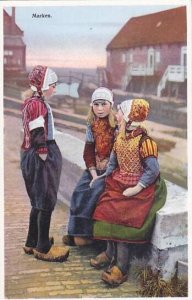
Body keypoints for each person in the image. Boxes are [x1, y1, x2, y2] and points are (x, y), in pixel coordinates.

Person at [90, 99, 167, 287]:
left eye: (119, 112)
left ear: (129, 117)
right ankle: (109, 253)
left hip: (144, 187)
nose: (116, 115)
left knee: (122, 217)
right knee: (105, 208)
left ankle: (121, 267)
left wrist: (137, 187)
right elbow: (114, 164)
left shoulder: (145, 142)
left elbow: (152, 170)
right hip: (121, 181)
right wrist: (102, 177)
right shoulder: (121, 138)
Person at [21, 65, 69, 262]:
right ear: (43, 86)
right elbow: (37, 131)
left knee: (37, 201)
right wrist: (44, 155)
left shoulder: (31, 102)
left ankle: (32, 241)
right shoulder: (37, 105)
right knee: (46, 200)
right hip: (41, 156)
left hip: (30, 154)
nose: (54, 89)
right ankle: (43, 247)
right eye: (53, 85)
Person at [62, 87, 117, 246]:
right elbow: (88, 151)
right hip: (95, 168)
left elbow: (117, 153)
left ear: (110, 105)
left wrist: (102, 174)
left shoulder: (116, 126)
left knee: (94, 193)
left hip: (110, 170)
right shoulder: (91, 124)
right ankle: (76, 232)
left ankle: (88, 236)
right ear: (92, 105)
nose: (100, 109)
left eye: (103, 104)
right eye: (96, 104)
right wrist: (93, 174)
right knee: (79, 191)